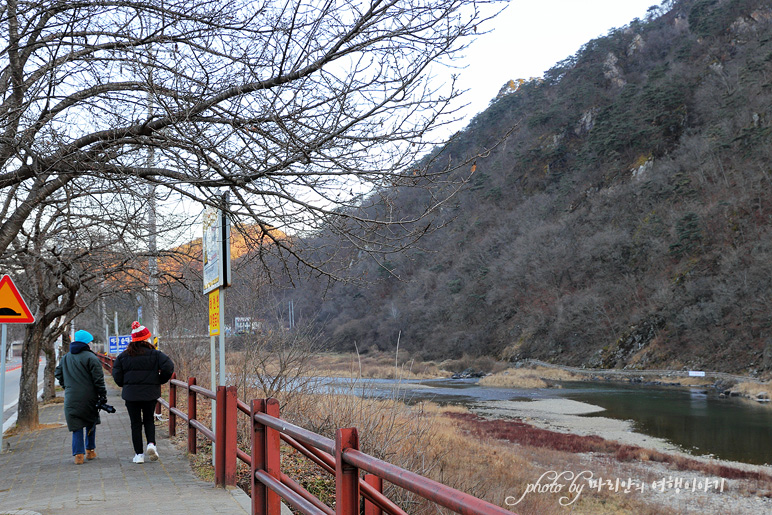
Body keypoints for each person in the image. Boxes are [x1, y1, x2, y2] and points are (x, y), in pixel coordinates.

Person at [112, 321, 174, 464]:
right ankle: (151, 444)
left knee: (135, 424)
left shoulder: (123, 356)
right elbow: (169, 366)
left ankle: (139, 455)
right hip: (149, 394)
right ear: (146, 339)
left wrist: (124, 384)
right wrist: (159, 380)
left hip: (131, 395)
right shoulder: (155, 354)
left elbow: (117, 375)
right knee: (148, 420)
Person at [55, 329, 107, 465]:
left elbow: (58, 373)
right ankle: (90, 450)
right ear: (86, 343)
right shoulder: (91, 358)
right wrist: (102, 395)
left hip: (71, 397)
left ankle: (78, 455)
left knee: (76, 425)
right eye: (90, 342)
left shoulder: (66, 357)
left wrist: (66, 386)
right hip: (89, 397)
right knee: (90, 422)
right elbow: (99, 380)